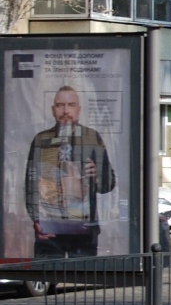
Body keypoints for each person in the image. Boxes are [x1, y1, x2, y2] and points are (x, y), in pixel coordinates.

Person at [25, 85, 117, 259]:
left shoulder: (92, 138)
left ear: (78, 109)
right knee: (47, 278)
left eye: (71, 105)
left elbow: (108, 185)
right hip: (50, 229)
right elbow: (30, 186)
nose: (66, 111)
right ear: (53, 110)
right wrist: (36, 219)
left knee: (84, 278)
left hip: (83, 229)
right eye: (60, 105)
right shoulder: (41, 140)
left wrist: (97, 176)